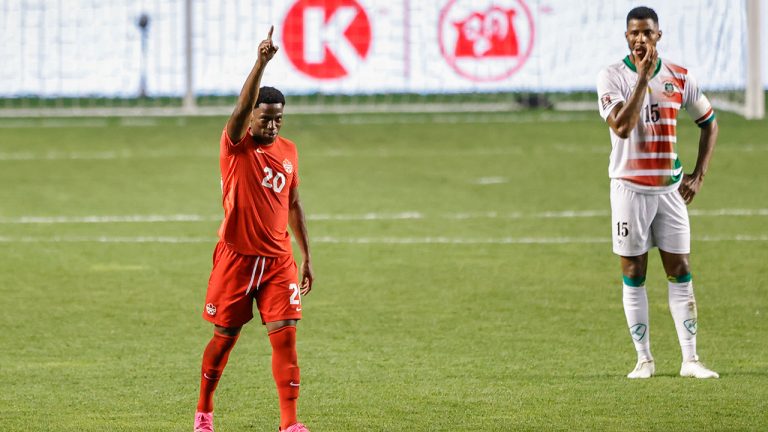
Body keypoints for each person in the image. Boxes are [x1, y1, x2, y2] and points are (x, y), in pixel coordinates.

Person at [194, 26, 314, 431]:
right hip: (236, 259)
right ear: (252, 118)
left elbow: (294, 204)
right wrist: (260, 63)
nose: (274, 126)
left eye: (279, 119)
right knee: (224, 340)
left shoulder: (290, 151)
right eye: (266, 118)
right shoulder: (235, 145)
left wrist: (308, 257)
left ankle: (290, 424)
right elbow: (240, 108)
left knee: (286, 339)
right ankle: (205, 412)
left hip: (279, 261)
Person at [596, 7, 719, 379]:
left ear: (658, 36)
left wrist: (698, 176)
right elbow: (621, 126)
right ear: (626, 37)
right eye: (634, 33)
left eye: (647, 33)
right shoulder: (611, 77)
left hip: (669, 192)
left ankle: (691, 360)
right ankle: (644, 360)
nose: (640, 39)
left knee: (680, 270)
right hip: (629, 190)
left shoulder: (680, 77)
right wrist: (643, 80)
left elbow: (709, 123)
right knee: (634, 272)